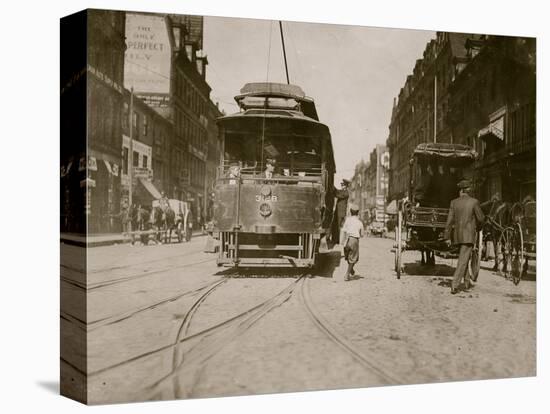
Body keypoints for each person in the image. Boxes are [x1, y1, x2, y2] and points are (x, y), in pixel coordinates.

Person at [444, 179, 485, 294]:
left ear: (461, 190)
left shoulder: (454, 202)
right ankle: (455, 284)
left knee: (464, 258)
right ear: (468, 190)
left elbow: (449, 221)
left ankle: (466, 282)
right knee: (463, 260)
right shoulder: (474, 202)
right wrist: (478, 228)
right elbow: (481, 219)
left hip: (457, 236)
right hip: (468, 236)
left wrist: (447, 236)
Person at [342, 203, 364, 281]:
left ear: (350, 212)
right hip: (354, 240)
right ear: (357, 212)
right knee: (354, 257)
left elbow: (344, 231)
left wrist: (343, 242)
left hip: (347, 239)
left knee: (348, 256)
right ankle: (347, 274)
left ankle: (351, 270)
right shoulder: (359, 222)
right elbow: (362, 235)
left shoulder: (347, 220)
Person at [331, 179, 350, 244]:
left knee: (339, 227)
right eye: (341, 185)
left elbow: (337, 194)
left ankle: (339, 241)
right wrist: (333, 187)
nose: (341, 186)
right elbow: (337, 192)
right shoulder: (343, 191)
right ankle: (335, 240)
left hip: (341, 213)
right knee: (335, 225)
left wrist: (332, 187)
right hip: (338, 212)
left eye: (343, 185)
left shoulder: (346, 193)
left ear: (346, 186)